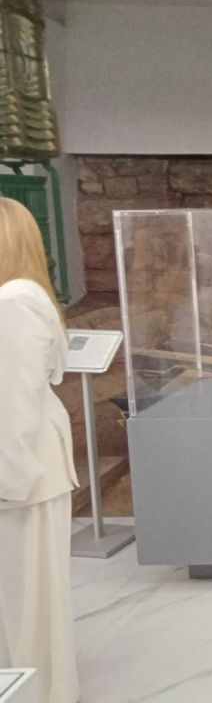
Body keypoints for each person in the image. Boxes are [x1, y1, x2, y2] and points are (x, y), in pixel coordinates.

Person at [0, 198, 79, 703]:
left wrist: (9, 481)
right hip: (27, 461)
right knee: (26, 596)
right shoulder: (25, 296)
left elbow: (16, 398)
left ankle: (35, 691)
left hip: (21, 467)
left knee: (25, 599)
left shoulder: (13, 302)